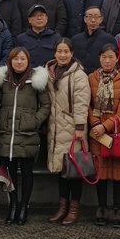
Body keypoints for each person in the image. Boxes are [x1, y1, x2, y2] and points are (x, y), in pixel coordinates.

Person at [0, 48, 51, 225]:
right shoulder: (3, 80)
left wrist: (34, 121)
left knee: (27, 172)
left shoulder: (36, 80)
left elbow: (46, 105)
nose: (19, 62)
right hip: (7, 134)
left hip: (28, 134)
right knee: (10, 173)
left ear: (28, 61)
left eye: (22, 59)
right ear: (10, 61)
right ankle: (13, 205)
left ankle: (24, 207)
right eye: (15, 59)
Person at [46, 39, 90, 226]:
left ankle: (74, 209)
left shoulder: (78, 75)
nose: (62, 55)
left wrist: (80, 127)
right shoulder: (49, 73)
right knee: (61, 170)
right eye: (59, 51)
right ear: (54, 53)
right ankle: (62, 207)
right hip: (55, 128)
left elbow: (82, 102)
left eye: (66, 51)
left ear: (72, 53)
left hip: (73, 128)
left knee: (74, 170)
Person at [87, 44, 120, 228]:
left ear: (117, 59)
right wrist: (95, 124)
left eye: (111, 57)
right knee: (101, 170)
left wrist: (106, 126)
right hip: (97, 131)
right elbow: (87, 105)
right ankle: (102, 207)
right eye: (104, 57)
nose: (107, 60)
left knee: (119, 170)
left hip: (117, 131)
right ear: (99, 58)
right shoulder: (91, 78)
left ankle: (117, 208)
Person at [71, 6, 116, 75]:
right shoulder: (76, 39)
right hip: (79, 77)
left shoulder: (109, 39)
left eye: (96, 17)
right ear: (85, 19)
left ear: (101, 19)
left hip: (100, 77)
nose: (93, 20)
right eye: (90, 17)